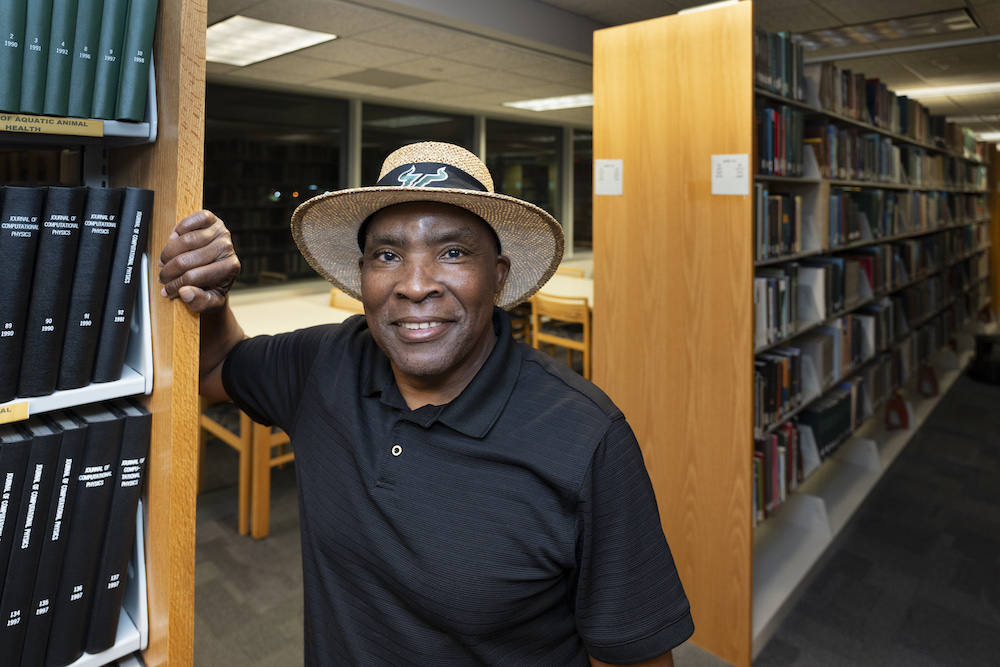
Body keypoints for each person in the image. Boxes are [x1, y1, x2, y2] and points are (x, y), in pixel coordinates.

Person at [159, 142, 694, 666]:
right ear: (363, 275)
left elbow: (634, 658)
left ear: (499, 275)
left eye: (453, 252)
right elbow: (213, 369)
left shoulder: (586, 441)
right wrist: (209, 297)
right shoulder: (325, 362)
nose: (414, 286)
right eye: (388, 255)